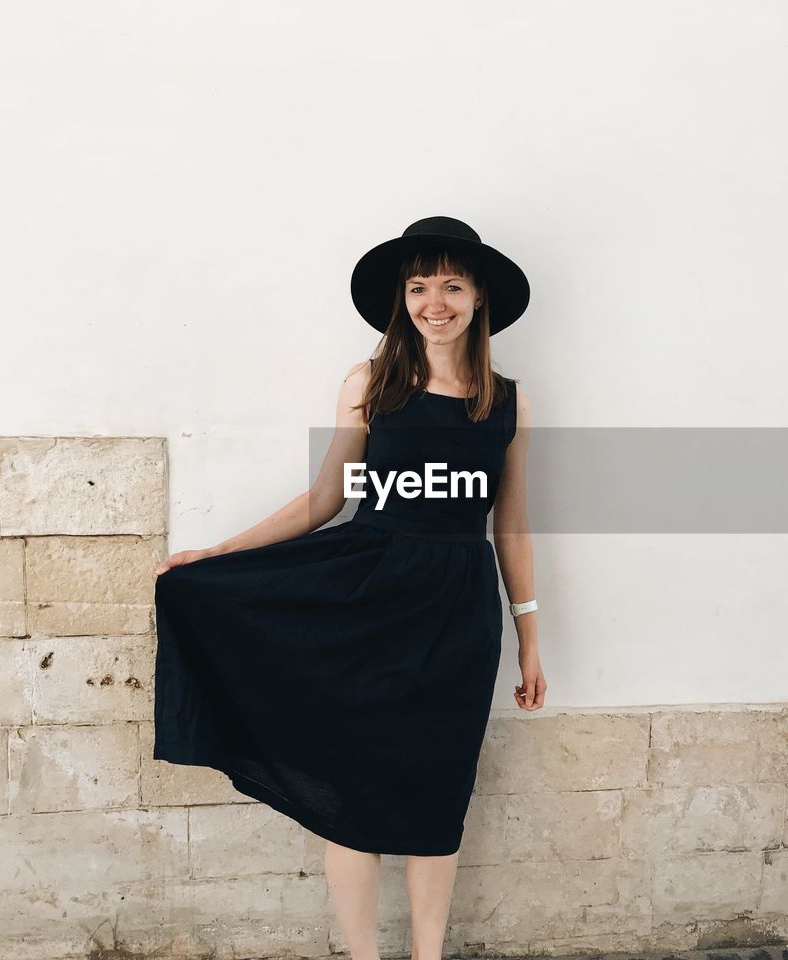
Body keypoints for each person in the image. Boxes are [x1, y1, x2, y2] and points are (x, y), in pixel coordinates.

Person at [151, 216, 546, 960]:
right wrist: (219, 553)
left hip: (460, 614)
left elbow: (513, 527)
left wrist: (530, 641)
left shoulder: (511, 402)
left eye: (452, 285)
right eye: (419, 285)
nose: (436, 301)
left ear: (478, 297)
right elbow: (324, 500)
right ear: (402, 298)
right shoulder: (369, 385)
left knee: (438, 792)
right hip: (366, 601)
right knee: (351, 792)